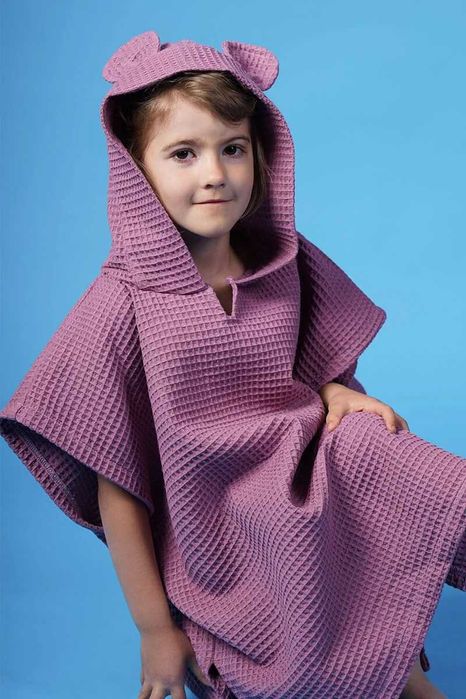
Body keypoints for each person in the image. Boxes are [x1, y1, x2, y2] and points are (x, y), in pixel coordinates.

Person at [0, 30, 463, 699]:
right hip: (214, 523)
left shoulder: (283, 261)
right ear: (137, 170)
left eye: (233, 148)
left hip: (297, 469)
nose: (215, 173)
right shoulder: (123, 303)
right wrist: (154, 628)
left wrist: (336, 392)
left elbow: (312, 362)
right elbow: (117, 484)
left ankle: (400, 672)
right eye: (183, 153)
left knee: (376, 441)